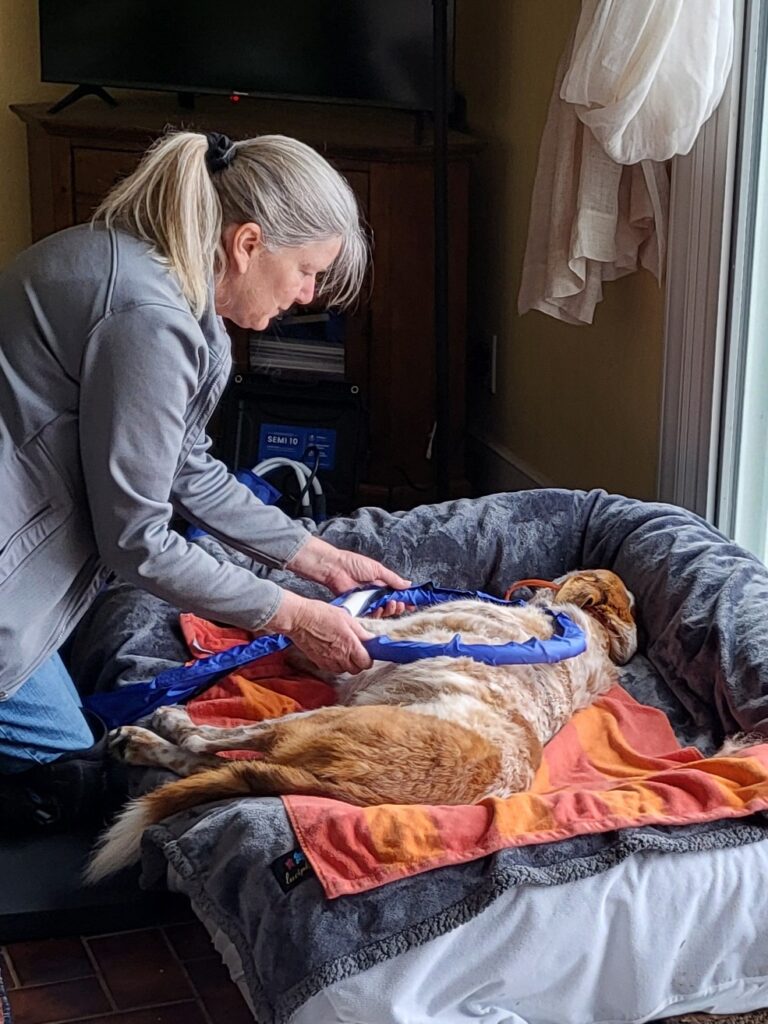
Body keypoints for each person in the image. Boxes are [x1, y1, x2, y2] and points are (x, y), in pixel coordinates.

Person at [0, 129, 410, 790]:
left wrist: (321, 559)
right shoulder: (149, 317)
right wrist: (293, 615)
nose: (308, 295)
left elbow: (184, 467)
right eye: (306, 270)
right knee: (73, 785)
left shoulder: (158, 284)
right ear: (247, 245)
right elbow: (139, 542)